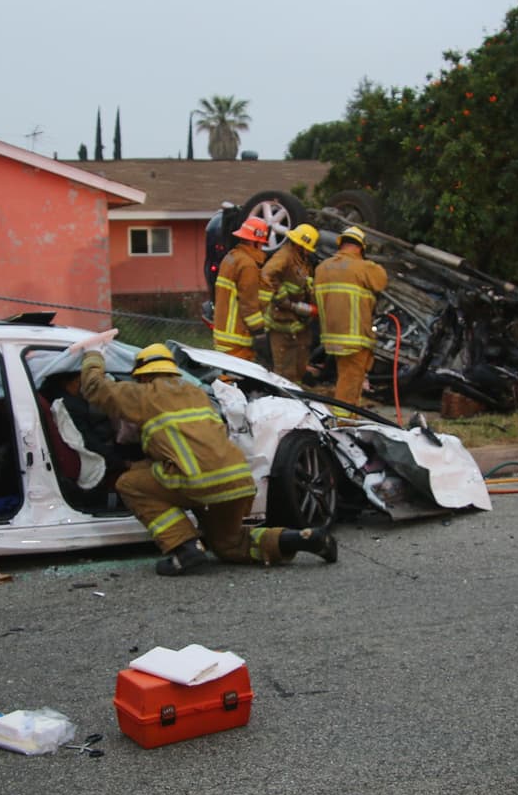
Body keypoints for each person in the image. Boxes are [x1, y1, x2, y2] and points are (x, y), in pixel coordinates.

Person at [78, 341, 337, 575]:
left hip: (198, 482)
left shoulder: (144, 394)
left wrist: (93, 354)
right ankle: (305, 539)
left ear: (143, 375)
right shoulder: (197, 393)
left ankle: (183, 546)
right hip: (237, 482)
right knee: (231, 544)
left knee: (129, 484)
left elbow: (95, 387)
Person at [312, 226, 388, 409]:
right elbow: (382, 281)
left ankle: (347, 417)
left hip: (332, 337)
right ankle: (343, 423)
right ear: (361, 247)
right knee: (349, 387)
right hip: (354, 339)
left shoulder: (322, 268)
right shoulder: (363, 267)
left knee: (346, 380)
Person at [260, 223, 320, 384]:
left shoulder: (302, 260)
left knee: (298, 370)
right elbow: (266, 274)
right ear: (300, 244)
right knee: (284, 374)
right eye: (307, 247)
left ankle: (296, 401)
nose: (309, 251)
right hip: (282, 323)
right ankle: (283, 403)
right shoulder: (285, 255)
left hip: (298, 325)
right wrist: (284, 299)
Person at [212, 217, 270, 363]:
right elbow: (248, 303)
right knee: (234, 381)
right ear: (255, 242)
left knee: (225, 379)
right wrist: (259, 332)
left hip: (223, 334)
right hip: (237, 337)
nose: (262, 248)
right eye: (262, 244)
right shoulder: (248, 265)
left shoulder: (231, 258)